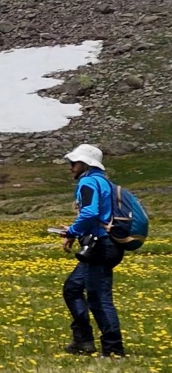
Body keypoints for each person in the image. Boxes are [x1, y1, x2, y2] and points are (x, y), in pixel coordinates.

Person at [61, 143, 126, 356]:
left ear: (84, 163)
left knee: (98, 298)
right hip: (107, 244)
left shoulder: (88, 181)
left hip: (100, 246)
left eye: (73, 163)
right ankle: (83, 340)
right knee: (72, 288)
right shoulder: (103, 182)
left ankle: (113, 350)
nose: (70, 167)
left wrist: (71, 231)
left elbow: (89, 213)